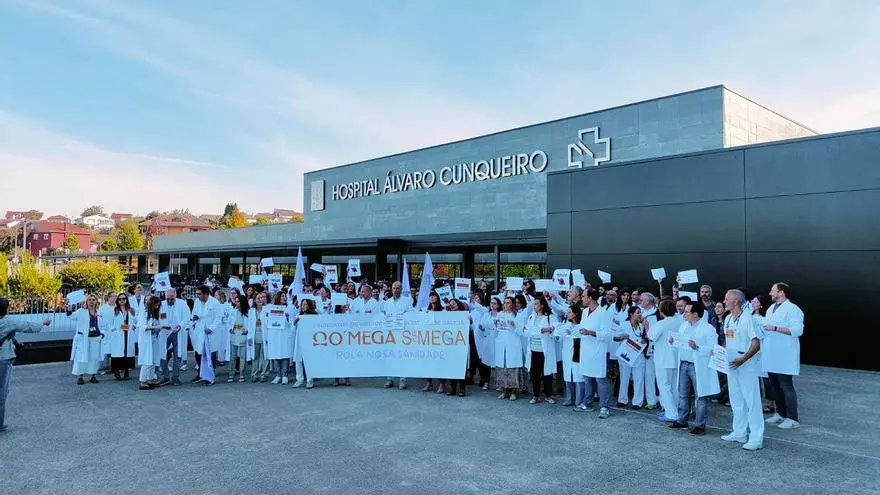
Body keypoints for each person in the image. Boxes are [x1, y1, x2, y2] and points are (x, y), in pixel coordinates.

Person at [720, 289, 765, 451]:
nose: (724, 301)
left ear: (736, 301)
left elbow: (756, 343)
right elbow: (728, 340)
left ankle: (756, 437)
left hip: (746, 365)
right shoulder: (728, 319)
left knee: (751, 401)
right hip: (732, 364)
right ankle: (739, 432)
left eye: (727, 299)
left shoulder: (748, 319)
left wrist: (743, 359)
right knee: (736, 399)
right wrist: (720, 354)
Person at [668, 303, 719, 435]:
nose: (684, 314)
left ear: (696, 314)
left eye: (687, 312)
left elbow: (713, 348)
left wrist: (697, 347)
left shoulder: (708, 328)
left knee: (700, 395)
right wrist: (673, 342)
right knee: (683, 394)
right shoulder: (684, 325)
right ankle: (682, 420)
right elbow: (680, 344)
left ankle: (700, 425)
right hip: (684, 363)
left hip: (698, 365)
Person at [0, 297, 50, 432]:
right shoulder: (8, 321)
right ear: (7, 309)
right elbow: (29, 326)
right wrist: (43, 322)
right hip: (3, 358)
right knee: (1, 392)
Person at [761, 282, 805, 430]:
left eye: (772, 290)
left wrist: (775, 328)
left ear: (781, 292)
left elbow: (797, 330)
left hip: (785, 355)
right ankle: (780, 413)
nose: (770, 293)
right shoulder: (770, 308)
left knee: (786, 386)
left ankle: (793, 418)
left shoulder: (793, 309)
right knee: (775, 387)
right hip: (771, 353)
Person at [578, 288, 613, 418]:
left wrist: (591, 332)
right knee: (587, 377)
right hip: (586, 349)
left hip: (597, 350)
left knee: (600, 379)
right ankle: (587, 403)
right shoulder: (585, 311)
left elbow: (608, 333)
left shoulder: (603, 313)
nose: (582, 298)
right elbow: (582, 327)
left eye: (584, 296)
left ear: (591, 298)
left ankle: (604, 407)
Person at [647, 299, 680, 423]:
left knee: (664, 386)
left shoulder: (661, 324)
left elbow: (650, 336)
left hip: (663, 359)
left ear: (662, 310)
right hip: (676, 358)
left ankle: (671, 413)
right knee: (674, 387)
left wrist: (646, 326)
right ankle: (674, 410)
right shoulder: (680, 321)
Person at [524, 297, 557, 405]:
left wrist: (550, 329)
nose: (534, 306)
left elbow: (556, 329)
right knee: (535, 374)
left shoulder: (549, 317)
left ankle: (548, 395)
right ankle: (536, 395)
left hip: (544, 350)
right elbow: (528, 330)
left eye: (536, 304)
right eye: (534, 304)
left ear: (542, 305)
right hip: (533, 349)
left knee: (546, 373)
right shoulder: (531, 317)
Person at [492, 296, 525, 400]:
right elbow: (496, 329)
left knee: (512, 368)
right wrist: (495, 324)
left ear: (513, 304)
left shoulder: (518, 316)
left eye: (509, 303)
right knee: (503, 367)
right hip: (501, 344)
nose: (506, 305)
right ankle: (505, 390)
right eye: (505, 302)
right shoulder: (500, 314)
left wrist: (514, 326)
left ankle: (514, 392)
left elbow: (521, 332)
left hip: (512, 344)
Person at [382, 281, 413, 390]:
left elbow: (411, 315)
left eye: (398, 288)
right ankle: (390, 379)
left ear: (401, 289)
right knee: (390, 355)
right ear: (391, 289)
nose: (396, 290)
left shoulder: (407, 301)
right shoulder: (387, 302)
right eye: (394, 288)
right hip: (390, 333)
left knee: (402, 355)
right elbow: (384, 316)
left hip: (402, 332)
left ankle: (402, 379)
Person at [68, 294, 105, 384]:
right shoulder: (81, 311)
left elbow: (104, 324)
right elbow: (71, 316)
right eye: (90, 300)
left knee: (94, 358)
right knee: (81, 357)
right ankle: (80, 376)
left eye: (93, 300)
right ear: (86, 302)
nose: (91, 301)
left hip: (95, 338)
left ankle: (93, 375)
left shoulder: (99, 312)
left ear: (96, 301)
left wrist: (102, 334)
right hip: (84, 338)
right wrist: (69, 308)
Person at [157, 289, 191, 386]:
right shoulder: (162, 304)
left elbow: (187, 317)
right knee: (162, 354)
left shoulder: (182, 304)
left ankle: (175, 377)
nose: (169, 301)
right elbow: (159, 317)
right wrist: (164, 325)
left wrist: (180, 325)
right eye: (167, 299)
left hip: (177, 332)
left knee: (177, 355)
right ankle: (165, 376)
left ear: (175, 296)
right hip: (165, 332)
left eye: (172, 299)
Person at [554, 305, 585, 408]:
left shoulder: (582, 326)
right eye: (567, 312)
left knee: (578, 377)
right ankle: (569, 398)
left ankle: (579, 400)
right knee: (568, 376)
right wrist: (557, 335)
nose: (568, 314)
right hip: (567, 353)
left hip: (577, 353)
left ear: (576, 314)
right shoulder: (565, 325)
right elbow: (559, 337)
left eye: (570, 312)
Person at [617, 306, 648, 409]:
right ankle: (622, 400)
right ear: (631, 314)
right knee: (624, 378)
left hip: (638, 355)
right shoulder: (623, 324)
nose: (640, 315)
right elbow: (615, 337)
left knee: (638, 379)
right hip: (626, 355)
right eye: (638, 313)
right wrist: (621, 336)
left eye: (640, 313)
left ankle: (637, 402)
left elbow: (647, 338)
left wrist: (644, 340)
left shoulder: (642, 326)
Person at [264, 292, 293, 385]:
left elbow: (292, 322)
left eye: (285, 296)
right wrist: (268, 317)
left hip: (284, 334)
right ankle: (278, 375)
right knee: (275, 354)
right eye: (283, 296)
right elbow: (265, 321)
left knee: (284, 354)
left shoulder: (289, 308)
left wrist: (288, 317)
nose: (284, 298)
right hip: (274, 334)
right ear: (278, 297)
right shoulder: (270, 308)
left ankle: (285, 375)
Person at [108, 292, 137, 381]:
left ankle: (126, 372)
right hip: (118, 335)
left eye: (123, 299)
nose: (121, 300)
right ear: (117, 300)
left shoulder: (131, 310)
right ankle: (116, 372)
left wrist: (133, 327)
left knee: (128, 353)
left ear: (126, 300)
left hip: (128, 334)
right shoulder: (114, 310)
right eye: (120, 299)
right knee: (117, 354)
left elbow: (136, 321)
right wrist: (115, 329)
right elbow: (109, 323)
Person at [445, 298, 471, 397]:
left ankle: (462, 388)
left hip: (461, 344)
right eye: (450, 304)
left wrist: (469, 320)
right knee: (452, 366)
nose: (452, 305)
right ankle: (452, 387)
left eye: (454, 303)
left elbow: (471, 327)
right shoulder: (447, 315)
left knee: (461, 367)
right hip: (451, 344)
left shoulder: (465, 314)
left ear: (458, 304)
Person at [422, 291, 447, 393]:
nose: (432, 298)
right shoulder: (425, 310)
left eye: (434, 296)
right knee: (428, 362)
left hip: (439, 339)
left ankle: (441, 383)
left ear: (437, 298)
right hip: (428, 339)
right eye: (430, 296)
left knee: (440, 362)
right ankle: (429, 382)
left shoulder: (443, 310)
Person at [136, 296, 163, 390]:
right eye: (156, 305)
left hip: (154, 339)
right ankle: (142, 381)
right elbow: (142, 326)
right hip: (146, 340)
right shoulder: (144, 313)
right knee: (147, 361)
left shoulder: (155, 314)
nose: (157, 307)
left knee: (154, 360)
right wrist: (156, 328)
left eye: (158, 305)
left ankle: (149, 380)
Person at [225, 294, 252, 383]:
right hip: (234, 334)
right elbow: (228, 322)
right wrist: (230, 329)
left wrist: (247, 330)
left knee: (242, 357)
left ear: (242, 302)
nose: (236, 303)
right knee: (233, 356)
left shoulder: (248, 312)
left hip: (243, 335)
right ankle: (231, 374)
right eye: (235, 301)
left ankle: (241, 374)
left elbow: (250, 324)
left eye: (238, 302)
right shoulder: (233, 311)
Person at [639, 293, 659, 410]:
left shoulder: (657, 314)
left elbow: (654, 334)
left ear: (648, 301)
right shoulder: (641, 312)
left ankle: (661, 400)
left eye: (641, 300)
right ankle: (651, 400)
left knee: (659, 376)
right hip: (644, 349)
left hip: (655, 349)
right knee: (649, 375)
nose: (640, 301)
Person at [292, 298, 317, 389]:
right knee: (298, 360)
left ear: (309, 305)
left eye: (305, 304)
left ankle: (310, 380)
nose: (303, 306)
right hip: (299, 341)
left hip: (310, 341)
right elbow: (293, 330)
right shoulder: (298, 315)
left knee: (309, 361)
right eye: (302, 304)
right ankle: (299, 379)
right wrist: (294, 322)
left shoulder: (314, 316)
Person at [248, 292, 271, 382]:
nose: (260, 300)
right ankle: (254, 374)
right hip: (255, 336)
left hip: (265, 336)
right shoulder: (251, 311)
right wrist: (249, 337)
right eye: (258, 298)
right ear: (254, 300)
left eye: (261, 298)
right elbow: (249, 325)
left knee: (265, 356)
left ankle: (264, 375)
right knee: (255, 356)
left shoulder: (267, 310)